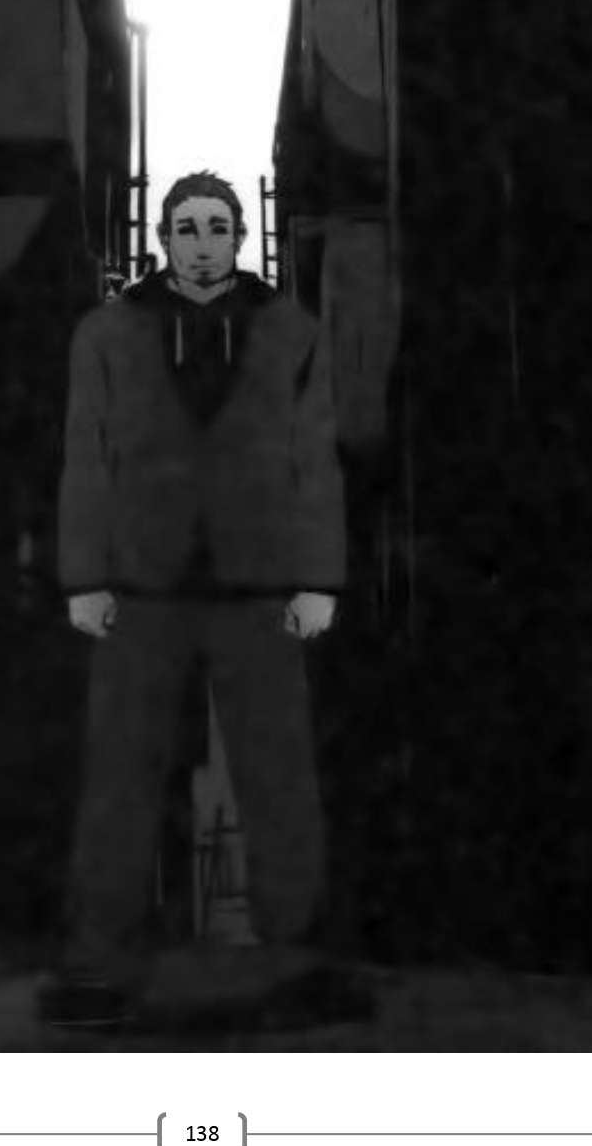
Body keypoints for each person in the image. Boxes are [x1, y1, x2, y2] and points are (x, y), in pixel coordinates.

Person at [40, 171, 357, 1029]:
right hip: (140, 586)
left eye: (218, 228)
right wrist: (83, 576)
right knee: (118, 778)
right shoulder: (107, 331)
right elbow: (85, 456)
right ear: (163, 238)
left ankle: (300, 962)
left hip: (259, 585)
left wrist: (318, 577)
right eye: (187, 228)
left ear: (241, 237)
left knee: (279, 777)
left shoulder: (290, 330)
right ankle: (98, 965)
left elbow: (313, 459)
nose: (203, 244)